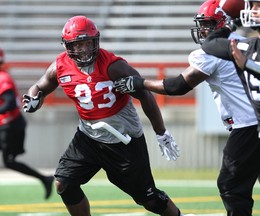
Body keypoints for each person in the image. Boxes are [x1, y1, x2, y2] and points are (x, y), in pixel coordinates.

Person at [21, 15, 196, 216]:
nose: (84, 49)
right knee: (64, 183)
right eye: (78, 45)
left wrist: (161, 132)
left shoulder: (114, 66)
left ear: (96, 41)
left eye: (88, 43)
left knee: (148, 199)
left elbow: (145, 94)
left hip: (123, 139)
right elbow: (39, 87)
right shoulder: (60, 66)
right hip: (88, 136)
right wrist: (34, 100)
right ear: (68, 46)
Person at [114, 0, 260, 215]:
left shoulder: (212, 51)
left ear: (223, 23)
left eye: (209, 24)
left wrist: (140, 83)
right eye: (202, 24)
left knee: (230, 186)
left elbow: (177, 86)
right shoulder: (245, 42)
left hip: (248, 125)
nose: (203, 30)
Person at [200, 0, 260, 212]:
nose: (253, 11)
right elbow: (209, 44)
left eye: (259, 6)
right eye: (251, 6)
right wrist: (232, 24)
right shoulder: (249, 46)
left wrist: (247, 65)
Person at [0, 48, 54, 199]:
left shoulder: (3, 77)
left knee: (9, 161)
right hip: (6, 125)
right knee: (9, 162)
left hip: (10, 126)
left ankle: (45, 179)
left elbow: (10, 103)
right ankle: (45, 179)